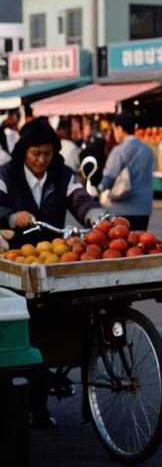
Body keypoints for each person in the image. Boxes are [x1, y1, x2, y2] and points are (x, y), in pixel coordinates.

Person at [0, 119, 104, 426]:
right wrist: (10, 216)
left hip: (56, 262)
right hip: (21, 263)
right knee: (31, 329)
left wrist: (98, 216)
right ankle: (36, 406)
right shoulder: (6, 175)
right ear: (23, 151)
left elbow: (80, 200)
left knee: (75, 315)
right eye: (35, 153)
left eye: (47, 153)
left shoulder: (63, 174)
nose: (41, 159)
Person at [99, 112, 155, 231]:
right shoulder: (148, 150)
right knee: (140, 245)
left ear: (119, 128)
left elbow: (109, 177)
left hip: (123, 207)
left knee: (123, 245)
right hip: (144, 207)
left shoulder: (119, 151)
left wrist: (99, 189)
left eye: (114, 128)